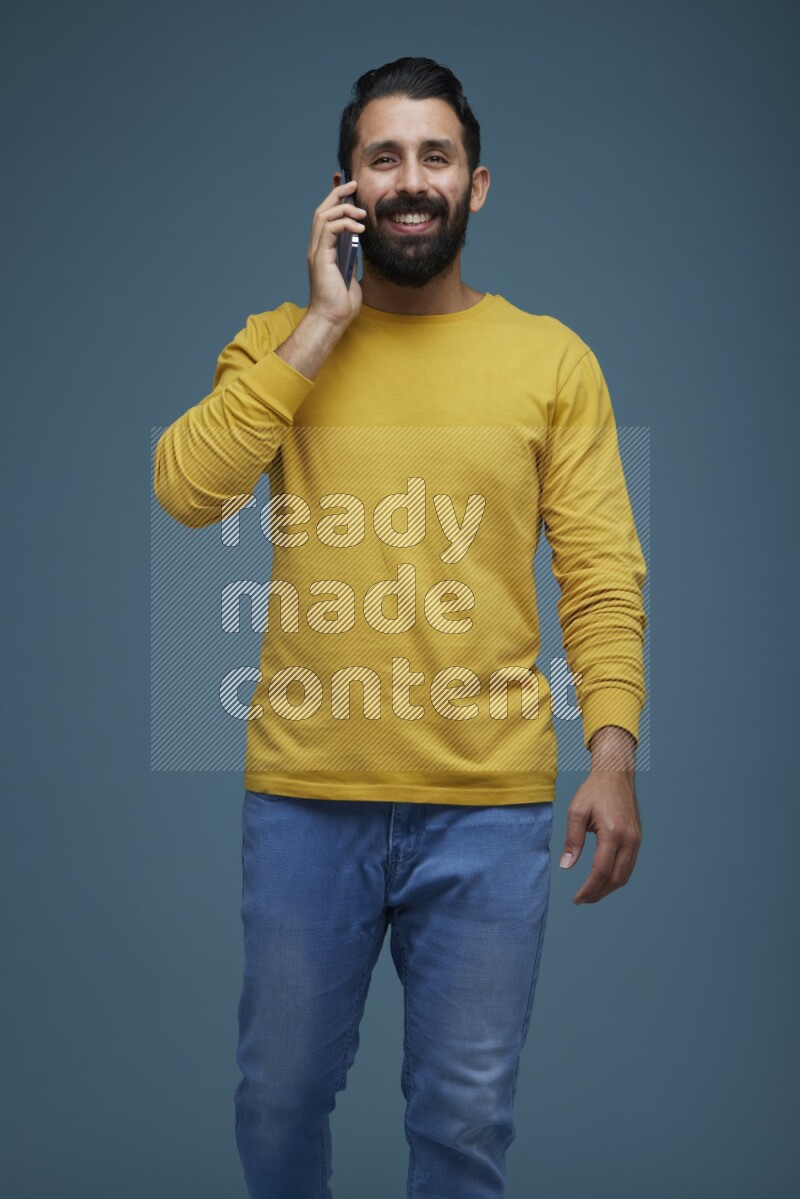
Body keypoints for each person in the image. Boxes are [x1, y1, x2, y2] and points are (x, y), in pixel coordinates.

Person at [153, 55, 647, 1199]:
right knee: (275, 1098)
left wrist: (611, 745)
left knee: (463, 1123)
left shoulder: (550, 360)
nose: (410, 180)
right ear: (345, 189)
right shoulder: (278, 340)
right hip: (305, 800)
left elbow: (600, 571)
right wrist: (322, 327)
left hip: (486, 811)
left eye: (435, 156)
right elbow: (188, 489)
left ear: (475, 186)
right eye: (385, 158)